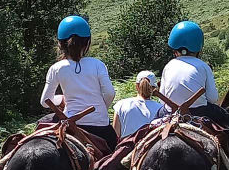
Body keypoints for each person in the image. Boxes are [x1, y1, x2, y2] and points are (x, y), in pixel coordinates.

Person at [40, 15, 117, 150]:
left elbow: (45, 101)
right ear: (87, 43)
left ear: (60, 44)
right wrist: (100, 107)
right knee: (115, 162)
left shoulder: (56, 68)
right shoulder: (98, 64)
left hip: (70, 126)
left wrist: (61, 98)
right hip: (100, 126)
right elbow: (110, 93)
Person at [159, 21, 229, 126]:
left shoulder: (168, 66)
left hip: (170, 113)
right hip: (199, 112)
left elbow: (161, 100)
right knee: (226, 119)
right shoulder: (203, 66)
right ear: (198, 47)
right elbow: (212, 98)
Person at [112, 71, 163, 139]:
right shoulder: (160, 108)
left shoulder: (121, 105)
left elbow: (116, 135)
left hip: (127, 148)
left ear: (136, 86)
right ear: (154, 88)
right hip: (152, 148)